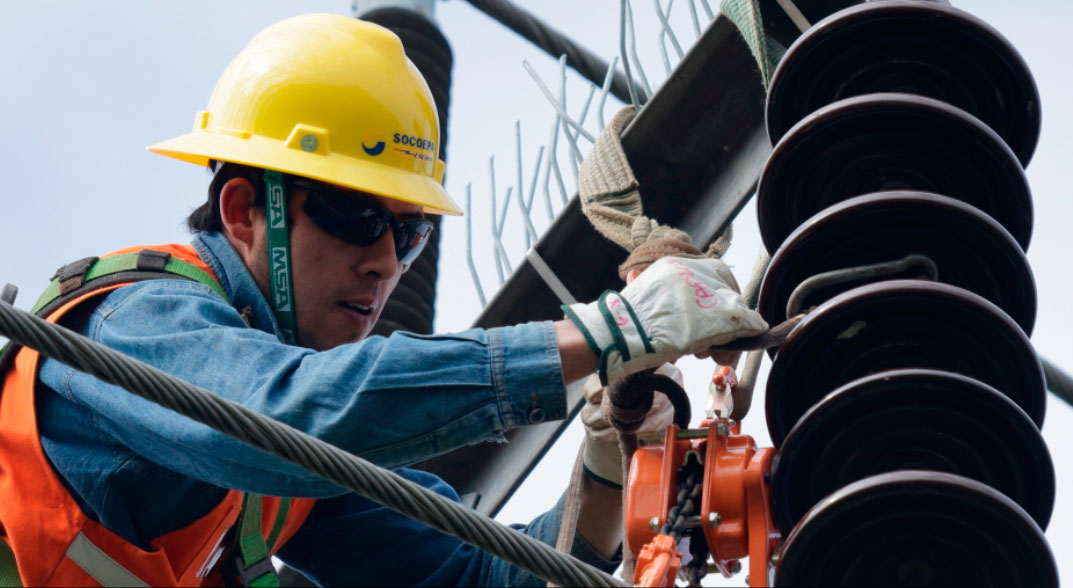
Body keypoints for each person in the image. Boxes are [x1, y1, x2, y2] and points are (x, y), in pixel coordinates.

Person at [0, 13, 768, 587]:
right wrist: (604, 332)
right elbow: (286, 411)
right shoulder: (126, 322)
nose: (383, 262)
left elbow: (489, 577)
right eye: (355, 217)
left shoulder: (289, 485)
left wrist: (606, 463)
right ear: (243, 213)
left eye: (410, 235)